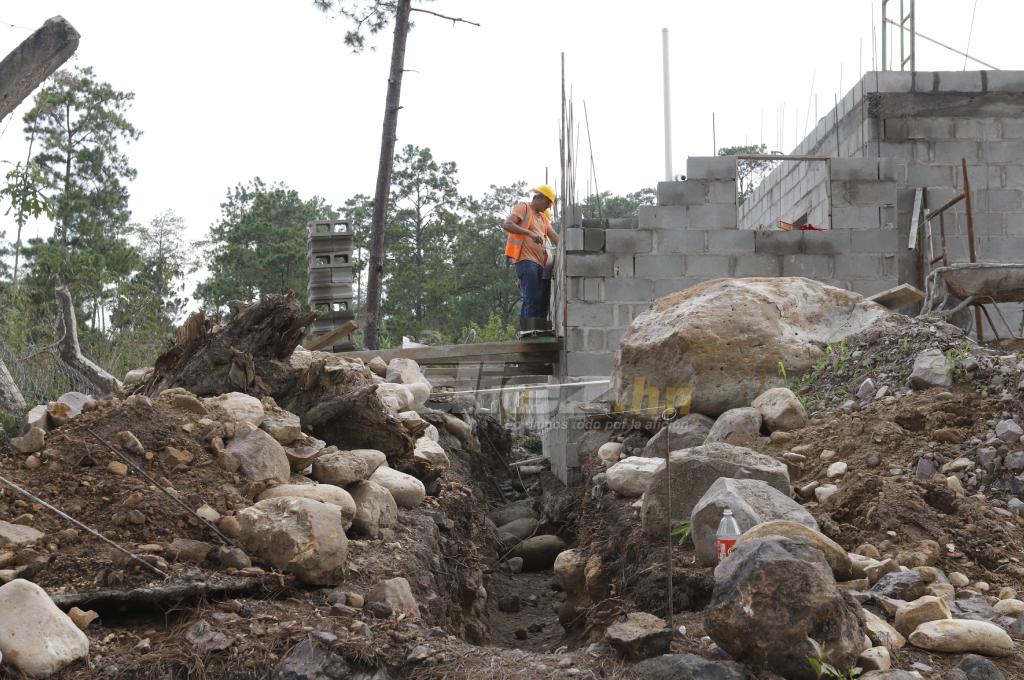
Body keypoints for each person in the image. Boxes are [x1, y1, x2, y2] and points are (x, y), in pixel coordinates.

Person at [503, 185, 560, 328]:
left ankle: (530, 329)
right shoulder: (524, 208)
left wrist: (569, 246)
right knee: (532, 296)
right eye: (547, 203)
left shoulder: (543, 218)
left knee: (537, 298)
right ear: (538, 197)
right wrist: (529, 233)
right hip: (525, 260)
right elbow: (507, 224)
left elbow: (554, 236)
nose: (547, 207)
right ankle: (528, 330)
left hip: (539, 262)